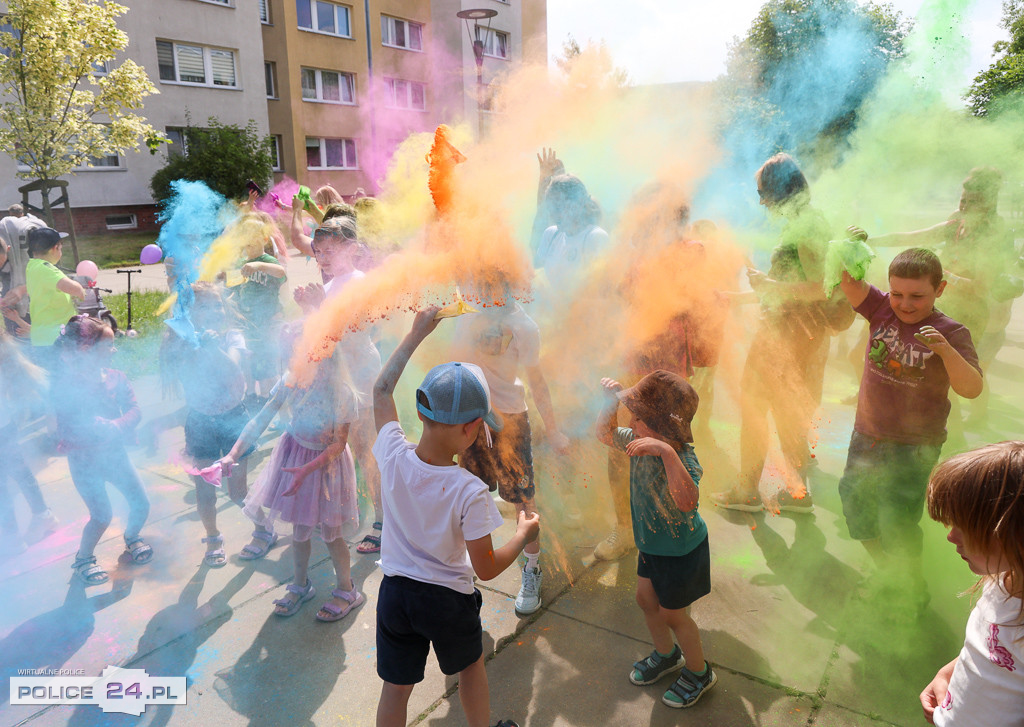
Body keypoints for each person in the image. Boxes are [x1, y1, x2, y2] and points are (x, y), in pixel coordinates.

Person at [372, 308, 537, 727]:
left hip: (394, 594)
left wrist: (414, 334)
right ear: (470, 430)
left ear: (423, 413)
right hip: (446, 600)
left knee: (396, 687)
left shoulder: (393, 455)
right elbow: (485, 568)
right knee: (470, 668)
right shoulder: (469, 490)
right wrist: (521, 534)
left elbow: (380, 390)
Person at [835, 249, 983, 607]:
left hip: (914, 447)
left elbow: (972, 388)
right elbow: (847, 280)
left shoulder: (952, 332)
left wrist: (946, 351)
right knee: (854, 504)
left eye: (917, 296)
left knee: (898, 523)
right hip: (867, 435)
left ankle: (910, 591)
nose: (904, 304)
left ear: (940, 289)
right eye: (897, 293)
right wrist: (849, 248)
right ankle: (890, 571)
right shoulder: (880, 307)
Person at [712, 153, 838, 513]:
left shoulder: (807, 226)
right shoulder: (805, 221)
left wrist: (769, 284)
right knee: (786, 410)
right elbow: (790, 286)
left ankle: (747, 491)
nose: (762, 201)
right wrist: (739, 298)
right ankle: (796, 493)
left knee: (754, 405)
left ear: (781, 189)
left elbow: (821, 287)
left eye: (763, 193)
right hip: (791, 332)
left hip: (788, 336)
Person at [595, 370, 716, 709]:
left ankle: (699, 672)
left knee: (674, 615)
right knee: (646, 601)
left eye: (638, 418)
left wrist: (666, 453)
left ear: (664, 428)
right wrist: (610, 404)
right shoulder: (636, 444)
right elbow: (603, 434)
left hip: (681, 552)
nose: (631, 423)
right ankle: (667, 655)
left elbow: (687, 501)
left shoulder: (683, 460)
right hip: (651, 546)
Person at [452, 283, 570, 615]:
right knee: (465, 496)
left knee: (522, 499)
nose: (485, 287)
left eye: (493, 280)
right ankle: (461, 573)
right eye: (481, 279)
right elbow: (453, 364)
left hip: (511, 423)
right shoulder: (468, 312)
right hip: (469, 420)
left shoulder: (523, 325)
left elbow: (536, 380)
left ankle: (531, 568)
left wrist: (555, 430)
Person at [219, 349, 363, 622]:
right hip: (296, 455)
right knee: (300, 529)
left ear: (329, 358)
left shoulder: (341, 392)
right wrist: (233, 454)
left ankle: (347, 589)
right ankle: (300, 585)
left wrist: (306, 470)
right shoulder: (292, 379)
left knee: (332, 534)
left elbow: (338, 444)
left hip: (325, 465)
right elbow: (261, 418)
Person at [161, 283, 270, 566]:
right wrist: (185, 344)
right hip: (199, 424)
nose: (213, 311)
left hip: (235, 421)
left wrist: (211, 347)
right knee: (205, 492)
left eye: (217, 305)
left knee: (236, 491)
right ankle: (213, 538)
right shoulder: (182, 342)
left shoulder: (232, 337)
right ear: (187, 313)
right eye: (204, 306)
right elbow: (174, 373)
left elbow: (233, 368)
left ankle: (263, 528)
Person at [294, 218, 385, 555]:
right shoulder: (330, 286)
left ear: (352, 249)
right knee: (343, 450)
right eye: (317, 252)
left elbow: (352, 331)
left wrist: (319, 308)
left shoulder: (359, 282)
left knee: (365, 451)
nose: (322, 257)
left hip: (359, 378)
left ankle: (382, 521)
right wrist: (308, 310)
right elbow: (318, 340)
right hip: (337, 380)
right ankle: (355, 513)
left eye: (329, 250)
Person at [920, 441, 1024, 725]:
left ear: (1014, 534)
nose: (951, 536)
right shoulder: (999, 580)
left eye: (965, 525)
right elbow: (989, 650)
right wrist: (949, 673)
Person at [55, 315, 152, 585]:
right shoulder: (67, 385)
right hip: (84, 461)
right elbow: (64, 427)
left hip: (116, 457)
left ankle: (132, 536)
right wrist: (89, 427)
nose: (114, 350)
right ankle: (83, 559)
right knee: (101, 515)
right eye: (108, 346)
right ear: (87, 351)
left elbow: (135, 410)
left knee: (141, 503)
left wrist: (116, 425)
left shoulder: (116, 378)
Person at [0, 328, 58, 550]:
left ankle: (13, 536)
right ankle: (42, 516)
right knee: (17, 473)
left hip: (3, 428)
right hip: (5, 426)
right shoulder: (6, 353)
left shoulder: (5, 354)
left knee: (5, 482)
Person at [233, 217, 286, 404]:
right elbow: (235, 289)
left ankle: (274, 404)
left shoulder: (267, 260)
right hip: (251, 323)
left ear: (264, 240)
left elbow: (281, 273)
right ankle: (261, 399)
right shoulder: (241, 263)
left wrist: (259, 265)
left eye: (255, 237)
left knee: (270, 365)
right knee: (255, 363)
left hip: (269, 321)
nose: (250, 241)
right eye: (246, 237)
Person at [21, 228, 85, 368]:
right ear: (55, 248)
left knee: (52, 380)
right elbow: (74, 289)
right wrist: (81, 290)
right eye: (60, 248)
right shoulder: (46, 268)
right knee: (64, 379)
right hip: (57, 338)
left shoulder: (32, 266)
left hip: (43, 336)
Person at [0, 204, 45, 336]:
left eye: (0, 262)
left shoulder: (30, 247)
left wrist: (22, 289)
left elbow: (49, 281)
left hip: (37, 303)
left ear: (9, 249)